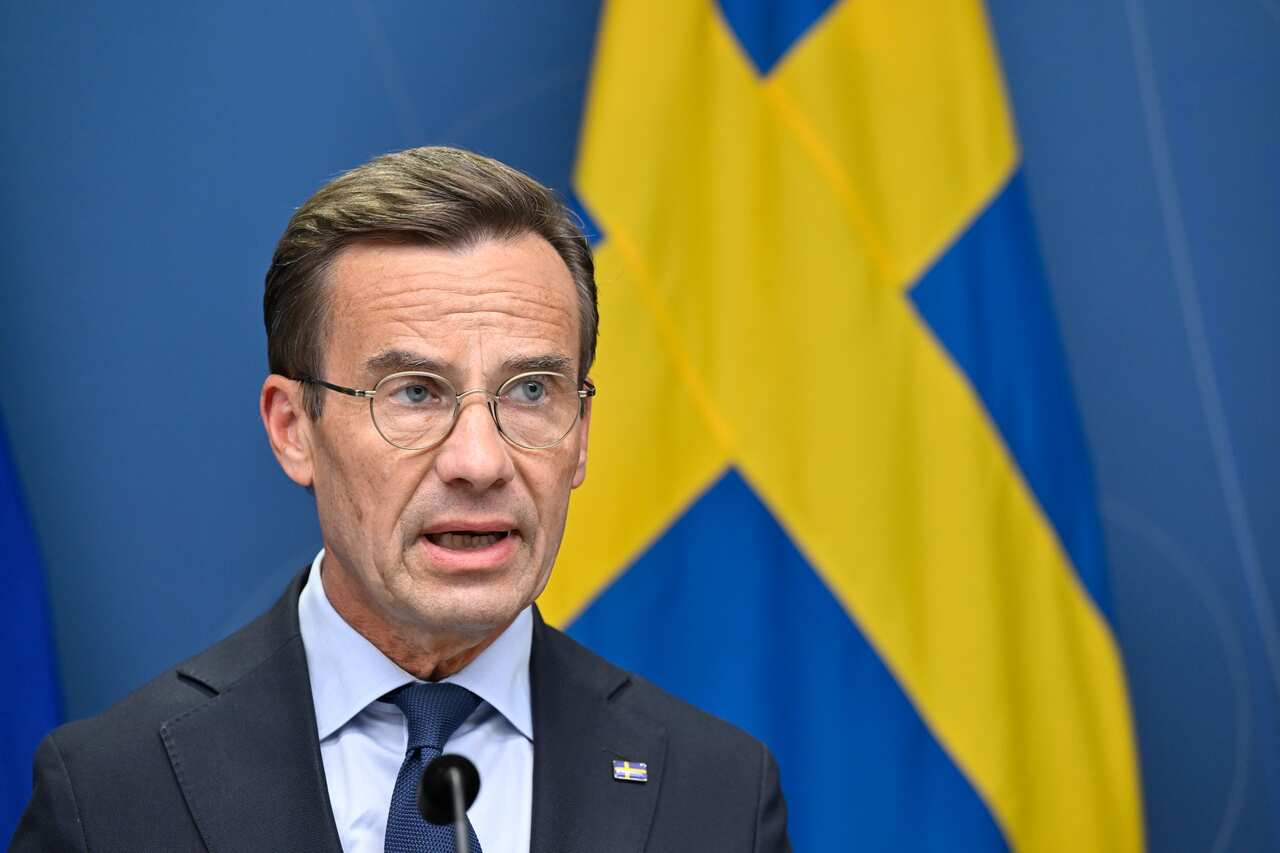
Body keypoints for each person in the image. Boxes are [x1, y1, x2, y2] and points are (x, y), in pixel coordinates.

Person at [12, 146, 790, 852]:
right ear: (294, 429)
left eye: (529, 391)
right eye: (414, 392)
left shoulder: (716, 793)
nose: (480, 460)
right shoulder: (110, 794)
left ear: (580, 433)